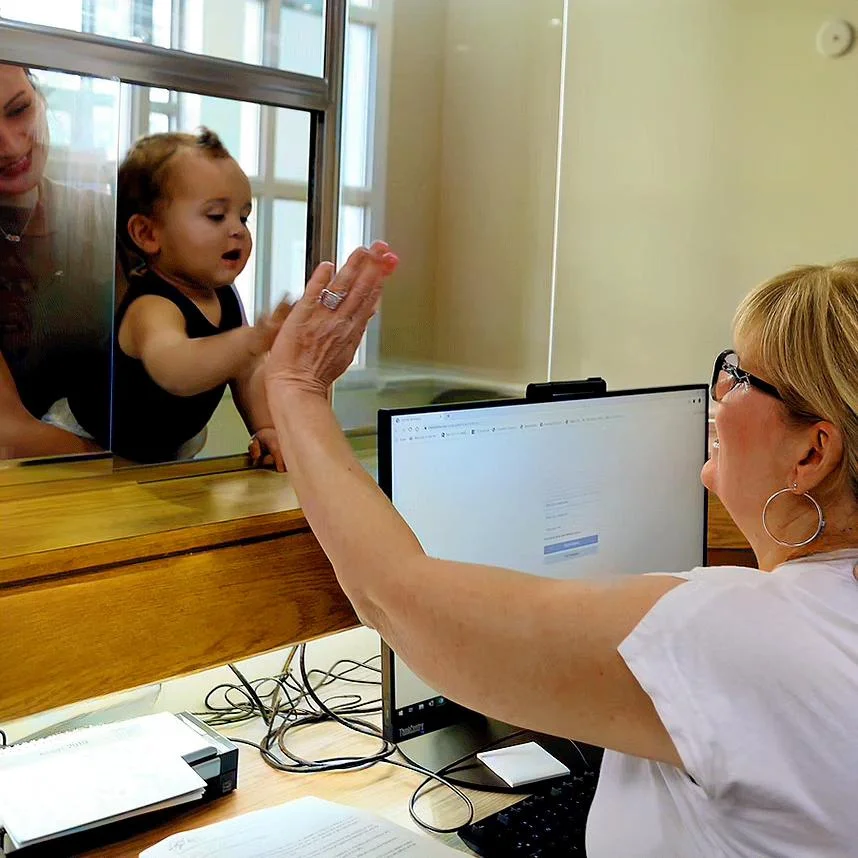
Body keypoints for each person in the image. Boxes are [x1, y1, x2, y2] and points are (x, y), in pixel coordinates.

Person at [262, 248, 858, 857]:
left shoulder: (740, 634)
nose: (721, 392)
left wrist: (296, 389)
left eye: (741, 376)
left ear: (811, 453)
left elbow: (397, 599)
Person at [84, 128, 286, 467]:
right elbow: (176, 370)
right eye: (216, 216)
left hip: (162, 452)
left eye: (244, 216)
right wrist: (247, 342)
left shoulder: (225, 296)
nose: (237, 229)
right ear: (147, 233)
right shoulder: (152, 306)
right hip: (90, 448)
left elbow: (247, 370)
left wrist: (265, 426)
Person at [0, 64, 113, 460]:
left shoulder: (107, 219)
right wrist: (133, 468)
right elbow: (7, 437)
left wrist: (268, 425)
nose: (11, 146)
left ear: (42, 101)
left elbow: (218, 318)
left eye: (19, 111)